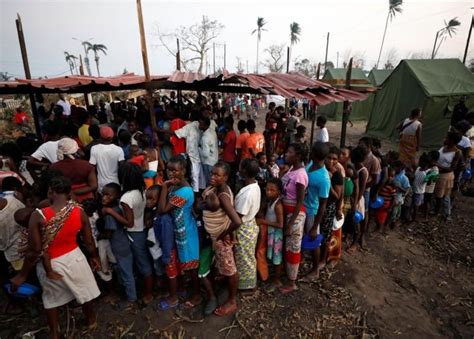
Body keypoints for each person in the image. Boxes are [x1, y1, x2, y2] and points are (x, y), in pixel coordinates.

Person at [11, 177, 101, 339]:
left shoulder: (38, 216)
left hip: (50, 262)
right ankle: (91, 320)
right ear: (69, 193)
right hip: (75, 257)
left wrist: (22, 275)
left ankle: (55, 333)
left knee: (51, 298)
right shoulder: (78, 211)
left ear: (50, 192)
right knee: (84, 291)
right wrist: (94, 257)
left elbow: (34, 250)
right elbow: (88, 241)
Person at [158, 156, 201, 308]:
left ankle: (197, 295)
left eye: (175, 170)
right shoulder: (176, 186)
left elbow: (162, 209)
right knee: (185, 264)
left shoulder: (185, 192)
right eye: (169, 170)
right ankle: (185, 289)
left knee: (192, 266)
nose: (171, 174)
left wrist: (164, 187)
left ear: (183, 171)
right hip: (179, 231)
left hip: (187, 233)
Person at [200, 162, 241, 316]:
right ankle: (224, 285)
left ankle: (232, 301)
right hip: (214, 237)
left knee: (230, 270)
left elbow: (237, 221)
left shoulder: (223, 195)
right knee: (224, 267)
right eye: (212, 173)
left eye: (217, 175)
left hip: (220, 239)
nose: (213, 176)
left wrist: (222, 235)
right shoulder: (214, 189)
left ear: (225, 177)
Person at [100, 183, 137, 309]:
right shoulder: (118, 208)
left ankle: (131, 299)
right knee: (125, 271)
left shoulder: (110, 214)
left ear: (116, 196)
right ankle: (128, 294)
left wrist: (99, 236)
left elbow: (109, 233)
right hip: (123, 244)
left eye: (107, 195)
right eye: (103, 195)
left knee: (126, 273)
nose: (104, 198)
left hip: (119, 247)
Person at [280, 143, 308, 293]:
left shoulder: (300, 175)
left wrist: (291, 224)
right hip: (287, 212)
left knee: (293, 247)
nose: (286, 154)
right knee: (289, 246)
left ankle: (292, 282)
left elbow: (299, 201)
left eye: (289, 152)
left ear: (298, 156)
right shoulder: (292, 169)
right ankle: (288, 274)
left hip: (295, 215)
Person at [232, 158, 261, 291]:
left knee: (244, 258)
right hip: (250, 225)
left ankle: (248, 286)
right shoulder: (254, 185)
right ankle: (247, 283)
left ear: (243, 170)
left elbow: (238, 218)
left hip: (244, 228)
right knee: (247, 256)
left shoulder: (247, 194)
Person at [318, 145, 343, 269]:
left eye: (335, 159)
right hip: (317, 206)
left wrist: (328, 181)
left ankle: (322, 259)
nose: (331, 161)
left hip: (328, 208)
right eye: (329, 158)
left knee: (325, 235)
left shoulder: (336, 176)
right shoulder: (320, 169)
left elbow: (337, 196)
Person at [257, 178, 284, 290]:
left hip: (276, 234)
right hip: (270, 232)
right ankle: (272, 275)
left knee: (277, 257)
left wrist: (263, 221)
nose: (268, 192)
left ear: (279, 192)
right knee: (273, 256)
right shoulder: (270, 201)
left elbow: (280, 224)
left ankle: (277, 280)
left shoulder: (277, 205)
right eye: (267, 189)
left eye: (272, 190)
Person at [51, 138, 97, 203]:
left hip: (65, 200)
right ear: (75, 150)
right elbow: (94, 186)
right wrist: (75, 191)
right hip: (86, 200)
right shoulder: (86, 165)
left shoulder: (54, 167)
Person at [433, 131, 462, 220]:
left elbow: (452, 168)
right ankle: (438, 210)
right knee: (438, 194)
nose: (445, 139)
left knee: (443, 195)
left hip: (445, 176)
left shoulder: (457, 152)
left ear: (453, 141)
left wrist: (437, 165)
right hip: (437, 173)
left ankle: (442, 213)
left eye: (448, 138)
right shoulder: (443, 147)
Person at [89, 127, 125, 192]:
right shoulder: (119, 149)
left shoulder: (94, 148)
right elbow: (122, 167)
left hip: (102, 184)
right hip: (115, 183)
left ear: (100, 136)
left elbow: (92, 167)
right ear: (112, 136)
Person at [347, 146, 369, 252]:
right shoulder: (354, 167)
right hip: (351, 198)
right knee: (350, 220)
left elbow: (361, 190)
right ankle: (349, 237)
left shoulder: (362, 171)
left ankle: (355, 243)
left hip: (357, 199)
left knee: (356, 221)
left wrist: (355, 203)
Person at [174, 117, 202, 193]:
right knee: (197, 176)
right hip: (197, 155)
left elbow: (177, 133)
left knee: (195, 175)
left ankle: (197, 192)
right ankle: (198, 192)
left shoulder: (189, 127)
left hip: (194, 155)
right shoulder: (194, 126)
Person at [374, 168, 397, 234]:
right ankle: (378, 227)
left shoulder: (392, 187)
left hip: (385, 205)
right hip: (379, 204)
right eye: (389, 176)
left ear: (394, 177)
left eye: (392, 176)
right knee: (377, 216)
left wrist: (390, 207)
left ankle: (380, 229)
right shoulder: (382, 185)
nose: (390, 178)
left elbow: (394, 198)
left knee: (382, 217)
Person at [198, 116, 219, 188]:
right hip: (214, 159)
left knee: (209, 181)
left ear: (205, 125)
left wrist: (199, 149)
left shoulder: (205, 138)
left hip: (208, 162)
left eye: (201, 124)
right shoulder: (212, 131)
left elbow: (205, 154)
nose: (199, 125)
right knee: (214, 180)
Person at [411, 154, 429, 222]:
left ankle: (414, 219)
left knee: (416, 206)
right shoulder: (418, 169)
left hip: (419, 193)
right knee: (414, 205)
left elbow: (427, 182)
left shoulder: (424, 174)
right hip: (415, 190)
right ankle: (412, 217)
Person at [423, 151, 440, 218]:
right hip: (428, 187)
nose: (428, 157)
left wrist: (427, 176)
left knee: (427, 201)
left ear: (432, 158)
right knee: (426, 201)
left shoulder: (434, 169)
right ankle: (425, 214)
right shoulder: (433, 166)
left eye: (429, 156)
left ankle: (425, 216)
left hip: (429, 188)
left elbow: (430, 181)